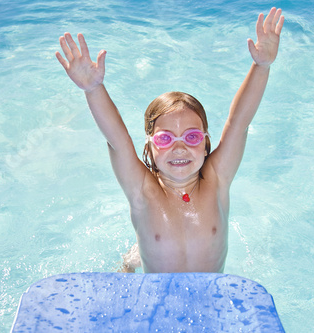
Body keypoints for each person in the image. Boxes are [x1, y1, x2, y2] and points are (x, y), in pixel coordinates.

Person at [56, 7, 284, 273]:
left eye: (192, 137)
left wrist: (262, 66)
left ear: (206, 143)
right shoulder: (143, 191)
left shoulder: (216, 181)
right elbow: (117, 140)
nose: (180, 147)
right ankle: (132, 259)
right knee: (129, 266)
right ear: (150, 147)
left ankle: (135, 254)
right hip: (157, 299)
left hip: (209, 295)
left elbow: (238, 124)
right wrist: (94, 89)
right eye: (165, 138)